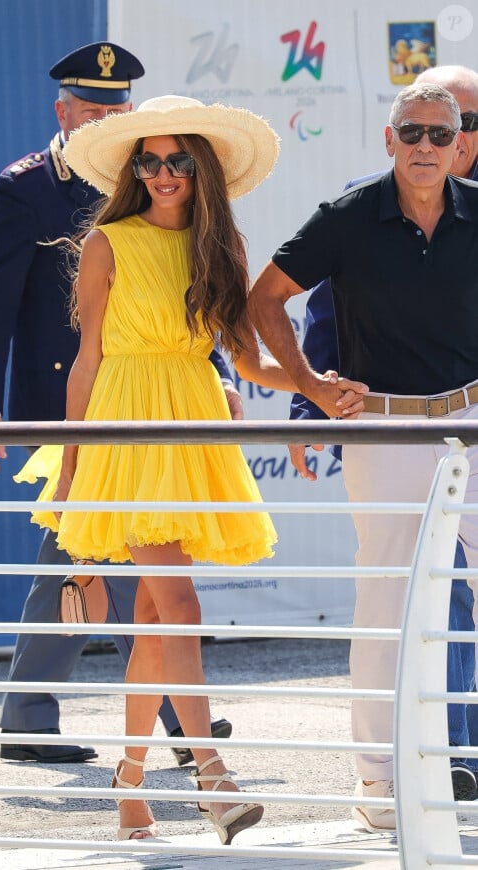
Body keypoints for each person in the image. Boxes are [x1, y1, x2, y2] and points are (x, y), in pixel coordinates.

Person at [14, 94, 367, 841]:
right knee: (179, 608)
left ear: (200, 168)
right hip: (125, 428)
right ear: (134, 169)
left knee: (152, 618)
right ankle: (212, 773)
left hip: (192, 420)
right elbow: (86, 363)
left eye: (178, 159)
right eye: (151, 160)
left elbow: (247, 360)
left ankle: (131, 783)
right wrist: (75, 468)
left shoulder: (221, 247)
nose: (165, 172)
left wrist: (312, 386)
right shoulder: (107, 242)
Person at [0, 42, 234, 765]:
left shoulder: (152, 180)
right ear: (63, 112)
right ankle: (178, 722)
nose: (103, 121)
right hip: (73, 403)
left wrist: (217, 365)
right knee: (113, 558)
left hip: (156, 404)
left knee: (92, 555)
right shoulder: (25, 187)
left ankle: (37, 716)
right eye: (91, 110)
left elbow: (177, 289)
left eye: (116, 110)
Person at [248, 81, 478, 834]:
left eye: (439, 134)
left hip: (473, 421)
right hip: (383, 432)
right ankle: (378, 782)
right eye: (410, 131)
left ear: (459, 144)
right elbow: (264, 299)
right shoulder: (346, 218)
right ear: (388, 139)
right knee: (385, 605)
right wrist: (309, 385)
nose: (424, 145)